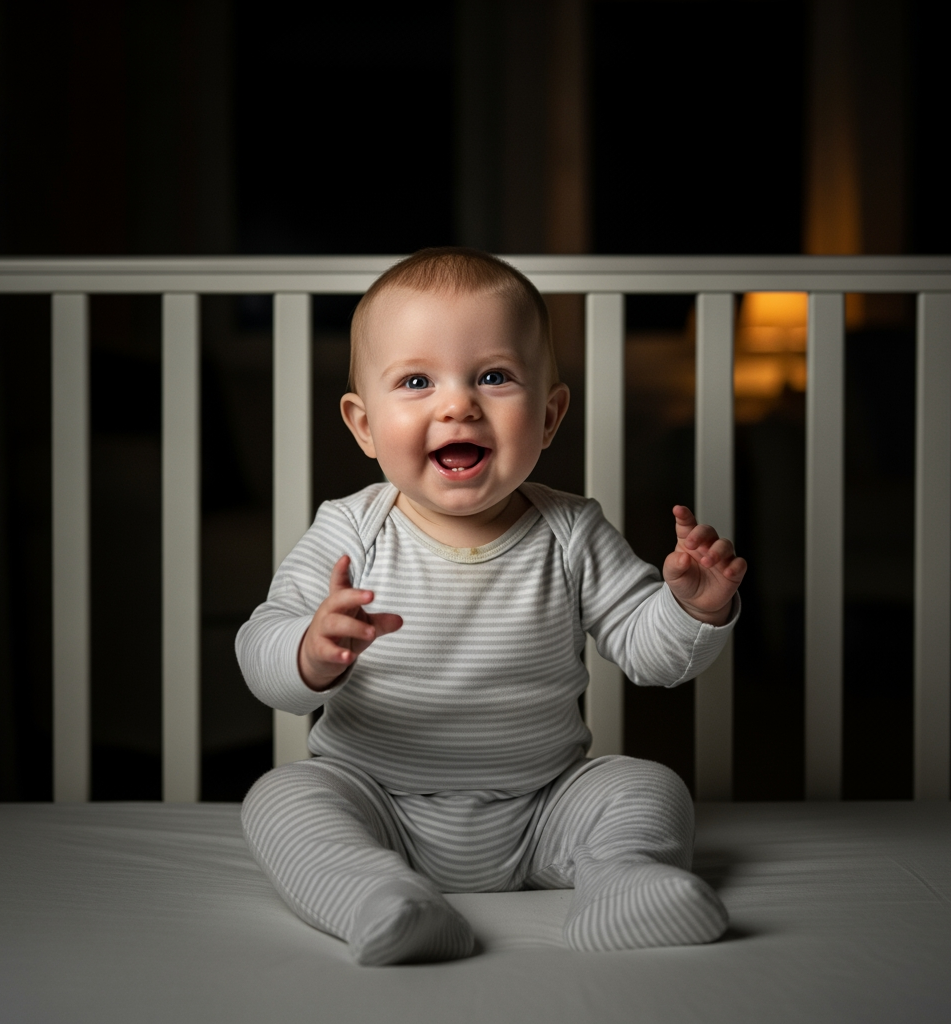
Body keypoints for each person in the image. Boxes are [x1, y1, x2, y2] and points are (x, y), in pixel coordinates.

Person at [236, 247, 746, 966]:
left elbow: (648, 653)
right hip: (377, 802)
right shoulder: (352, 528)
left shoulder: (573, 531)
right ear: (364, 425)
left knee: (646, 785)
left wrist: (692, 608)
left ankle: (624, 881)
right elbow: (261, 646)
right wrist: (309, 651)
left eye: (495, 377)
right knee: (283, 798)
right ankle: (383, 899)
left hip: (545, 809)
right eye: (416, 381)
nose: (457, 403)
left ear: (548, 414)